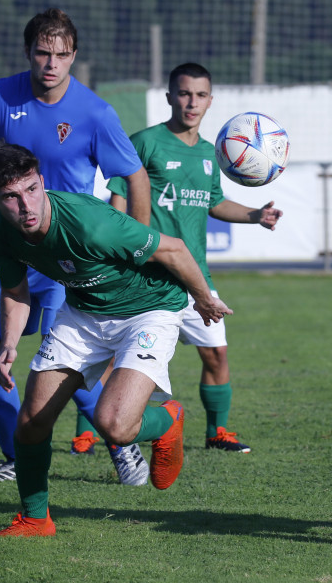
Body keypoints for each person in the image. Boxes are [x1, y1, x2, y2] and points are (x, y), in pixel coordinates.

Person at [0, 8, 152, 484]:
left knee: (62, 362)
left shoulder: (94, 112)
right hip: (12, 248)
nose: (51, 63)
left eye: (61, 55)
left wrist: (138, 244)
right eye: (42, 53)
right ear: (28, 52)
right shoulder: (1, 96)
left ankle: (123, 442)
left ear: (74, 55)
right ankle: (16, 456)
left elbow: (134, 176)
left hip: (69, 255)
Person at [0, 142, 231, 538]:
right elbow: (15, 290)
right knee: (31, 423)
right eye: (11, 197)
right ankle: (35, 520)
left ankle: (167, 421)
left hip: (149, 308)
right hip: (83, 314)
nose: (26, 205)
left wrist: (203, 298)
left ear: (41, 181)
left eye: (31, 189)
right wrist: (10, 342)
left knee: (113, 424)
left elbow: (175, 249)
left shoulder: (89, 223)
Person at [108, 63, 282, 454]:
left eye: (200, 95)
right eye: (184, 93)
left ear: (210, 101)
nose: (192, 102)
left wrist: (256, 215)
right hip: (148, 273)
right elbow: (119, 196)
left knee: (216, 354)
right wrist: (119, 252)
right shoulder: (146, 142)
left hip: (194, 274)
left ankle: (216, 432)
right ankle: (87, 433)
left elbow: (215, 202)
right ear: (169, 96)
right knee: (115, 357)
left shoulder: (211, 153)